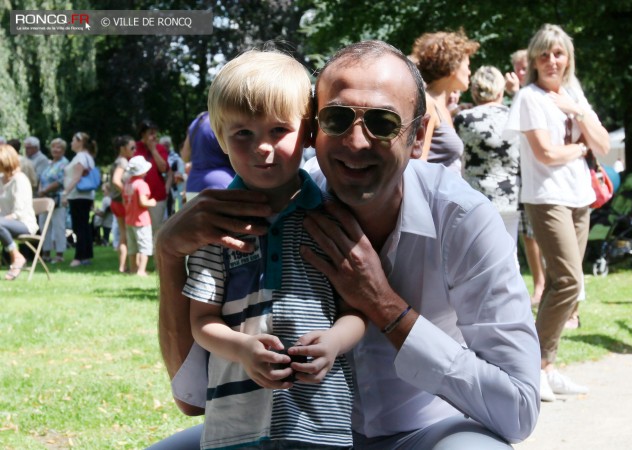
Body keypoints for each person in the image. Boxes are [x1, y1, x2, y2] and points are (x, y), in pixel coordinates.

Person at [154, 40, 540, 449]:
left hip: (425, 434)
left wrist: (385, 307)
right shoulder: (273, 206)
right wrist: (168, 253)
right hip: (296, 431)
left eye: (383, 122)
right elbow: (192, 400)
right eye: (337, 119)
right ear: (313, 131)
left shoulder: (463, 220)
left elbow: (518, 409)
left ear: (418, 136)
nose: (356, 142)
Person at [180, 49, 366, 449]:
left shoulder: (332, 218)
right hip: (236, 423)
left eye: (278, 130)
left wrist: (333, 343)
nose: (262, 147)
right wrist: (243, 349)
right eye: (243, 133)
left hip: (321, 418)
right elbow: (203, 322)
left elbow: (356, 312)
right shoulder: (216, 225)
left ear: (309, 132)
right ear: (222, 139)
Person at [504, 24, 610, 402]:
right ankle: (532, 367)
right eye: (545, 54)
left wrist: (579, 112)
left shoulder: (573, 94)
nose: (552, 60)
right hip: (547, 196)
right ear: (534, 59)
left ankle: (546, 366)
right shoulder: (530, 97)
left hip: (579, 196)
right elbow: (546, 153)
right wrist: (581, 149)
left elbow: (604, 144)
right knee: (566, 280)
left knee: (571, 284)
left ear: (568, 59)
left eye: (559, 53)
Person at [454, 66, 520, 244]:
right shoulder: (515, 116)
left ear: (475, 91)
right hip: (510, 196)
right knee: (510, 251)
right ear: (501, 90)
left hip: (476, 195)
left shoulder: (463, 119)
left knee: (478, 251)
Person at [507, 48, 546, 305]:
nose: (521, 72)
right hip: (519, 176)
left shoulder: (537, 97)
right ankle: (540, 284)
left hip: (540, 176)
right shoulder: (520, 98)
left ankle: (549, 285)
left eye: (524, 67)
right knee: (527, 235)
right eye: (517, 68)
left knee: (541, 235)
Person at [410, 29, 480, 172]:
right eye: (467, 65)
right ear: (453, 66)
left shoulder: (444, 109)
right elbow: (418, 165)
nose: (469, 72)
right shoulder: (428, 104)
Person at [0, 144, 38, 280]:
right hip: (4, 223)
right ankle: (16, 256)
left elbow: (18, 213)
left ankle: (17, 257)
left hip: (24, 224)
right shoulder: (1, 180)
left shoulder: (20, 180)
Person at [181, 111, 236, 202]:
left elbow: (185, 156)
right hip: (224, 185)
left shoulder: (197, 122)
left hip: (193, 186)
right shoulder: (225, 120)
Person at [61, 131, 98, 267]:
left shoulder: (81, 157)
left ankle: (79, 256)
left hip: (78, 196)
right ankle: (86, 255)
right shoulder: (88, 157)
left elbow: (76, 177)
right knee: (84, 226)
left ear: (80, 142)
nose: (71, 143)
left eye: (73, 140)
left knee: (79, 227)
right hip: (85, 196)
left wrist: (65, 192)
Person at [133, 120, 169, 237]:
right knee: (140, 230)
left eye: (155, 133)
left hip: (156, 198)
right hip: (137, 197)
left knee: (156, 229)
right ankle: (142, 255)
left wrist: (153, 150)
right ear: (143, 134)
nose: (154, 136)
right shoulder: (135, 147)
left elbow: (163, 168)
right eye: (151, 133)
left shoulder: (160, 148)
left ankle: (155, 254)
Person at [123, 155, 156, 276]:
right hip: (141, 220)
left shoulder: (127, 184)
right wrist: (151, 202)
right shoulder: (141, 184)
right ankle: (141, 271)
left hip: (129, 219)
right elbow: (143, 202)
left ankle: (133, 269)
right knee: (144, 246)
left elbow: (124, 200)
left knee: (132, 247)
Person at [37, 138, 69, 263]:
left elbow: (60, 180)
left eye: (58, 147)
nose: (55, 149)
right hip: (45, 198)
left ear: (63, 150)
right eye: (53, 147)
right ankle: (45, 253)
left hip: (58, 199)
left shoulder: (64, 163)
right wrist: (41, 190)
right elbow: (42, 178)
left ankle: (59, 254)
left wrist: (44, 190)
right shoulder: (49, 163)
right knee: (43, 225)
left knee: (58, 226)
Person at [109, 135, 135, 273]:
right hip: (121, 203)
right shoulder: (123, 162)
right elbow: (115, 180)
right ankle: (123, 266)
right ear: (122, 148)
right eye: (131, 147)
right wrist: (126, 194)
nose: (134, 150)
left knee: (123, 233)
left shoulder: (119, 160)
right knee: (126, 235)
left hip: (115, 202)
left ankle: (123, 266)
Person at [160, 135, 186, 215]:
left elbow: (179, 170)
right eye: (164, 144)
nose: (166, 146)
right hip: (161, 184)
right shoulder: (159, 155)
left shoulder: (175, 157)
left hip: (175, 186)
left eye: (168, 144)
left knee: (175, 206)